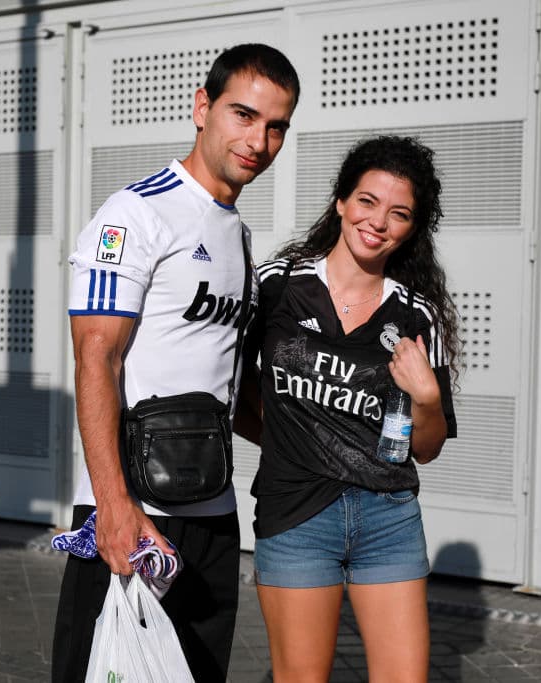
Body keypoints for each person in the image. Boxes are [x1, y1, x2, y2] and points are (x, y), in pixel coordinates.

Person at [52, 44, 300, 682]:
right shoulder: (135, 213)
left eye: (276, 126)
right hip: (136, 510)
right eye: (243, 115)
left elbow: (227, 385)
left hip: (213, 518)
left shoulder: (237, 233)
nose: (259, 140)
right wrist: (113, 508)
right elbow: (96, 360)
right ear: (202, 108)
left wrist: (313, 455)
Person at [245, 135, 459, 682]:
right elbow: (235, 392)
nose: (378, 222)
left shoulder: (417, 316)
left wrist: (427, 397)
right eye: (367, 201)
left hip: (386, 518)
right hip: (296, 517)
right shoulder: (276, 287)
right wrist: (291, 447)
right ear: (341, 201)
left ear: (412, 229)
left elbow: (426, 447)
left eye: (399, 213)